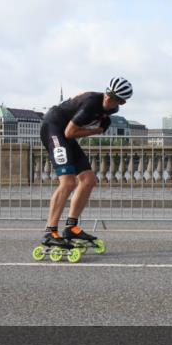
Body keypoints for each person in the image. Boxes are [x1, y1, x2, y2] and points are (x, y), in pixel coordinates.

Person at [39, 77, 133, 250]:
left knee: (89, 180)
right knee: (68, 182)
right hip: (53, 128)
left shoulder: (111, 111)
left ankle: (71, 227)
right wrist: (95, 131)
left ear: (121, 102)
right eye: (107, 93)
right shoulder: (91, 103)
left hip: (65, 133)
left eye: (113, 98)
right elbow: (69, 132)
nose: (108, 98)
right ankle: (50, 231)